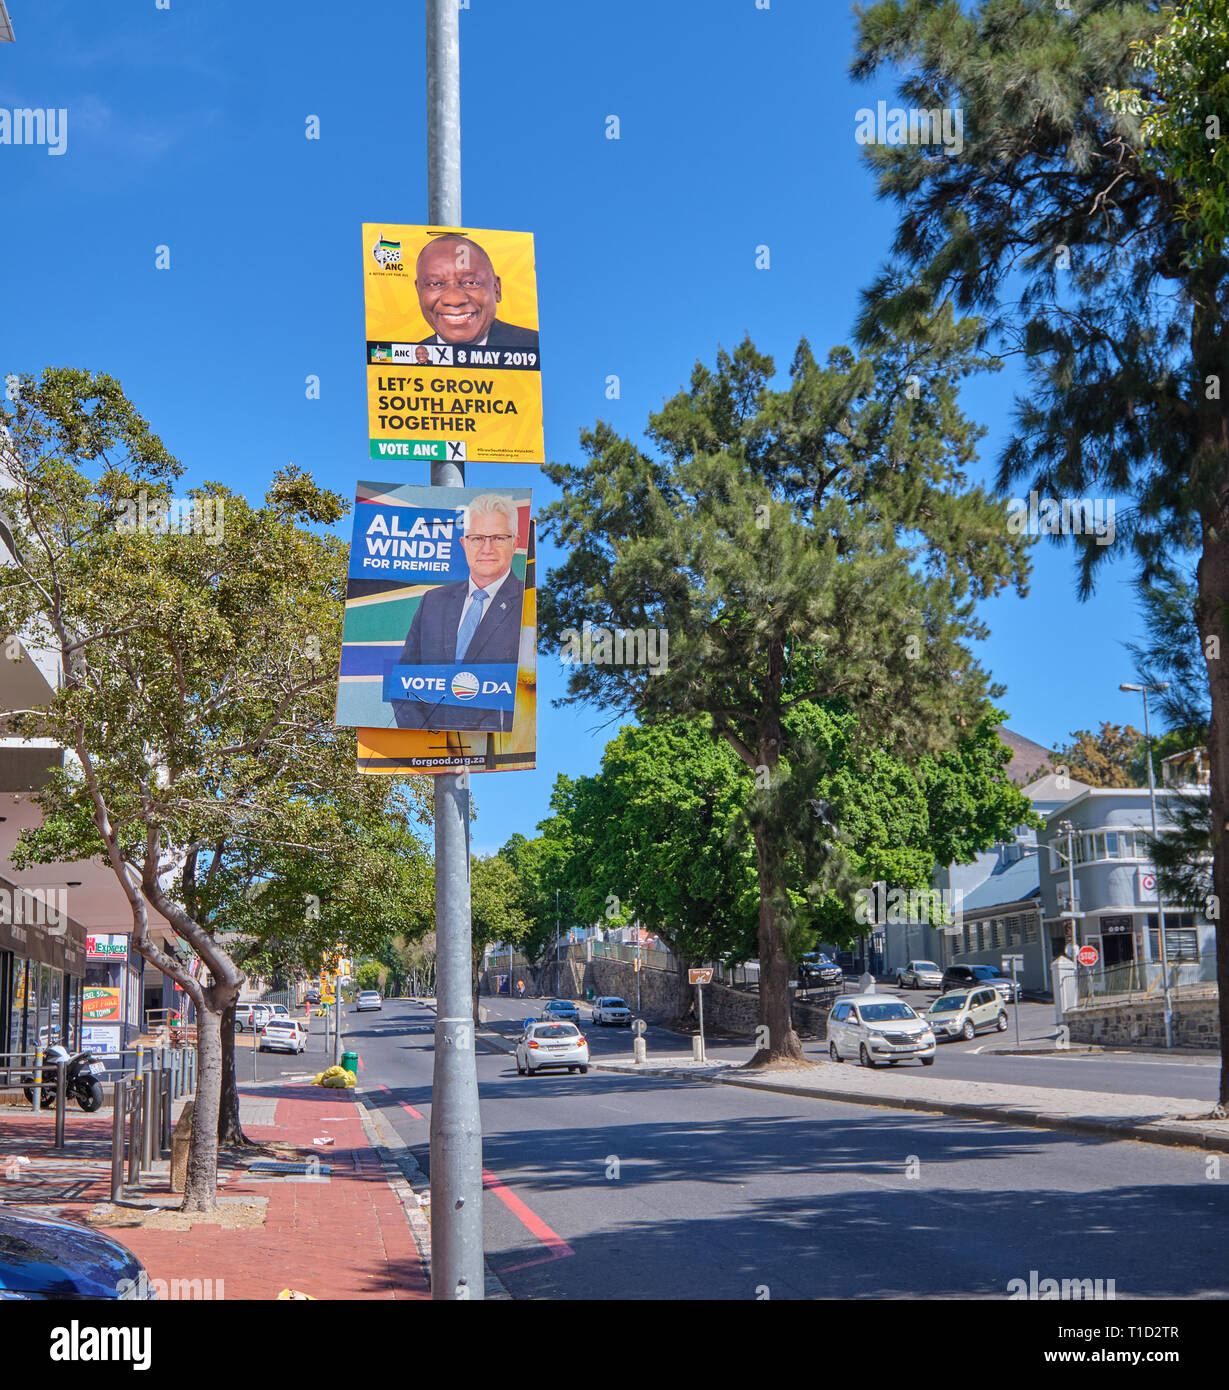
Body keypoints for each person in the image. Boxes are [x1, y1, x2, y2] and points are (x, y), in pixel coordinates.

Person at [390, 493, 525, 732]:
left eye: (498, 538)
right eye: (477, 538)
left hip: (486, 746)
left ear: (515, 543)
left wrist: (467, 745)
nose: (487, 548)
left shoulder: (527, 603)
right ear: (464, 543)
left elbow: (524, 692)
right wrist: (427, 738)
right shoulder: (433, 601)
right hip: (426, 744)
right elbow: (403, 683)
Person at [414, 235, 539, 350]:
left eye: (471, 283)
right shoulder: (406, 363)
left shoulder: (530, 346)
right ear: (418, 291)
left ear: (496, 288)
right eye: (435, 284)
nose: (454, 299)